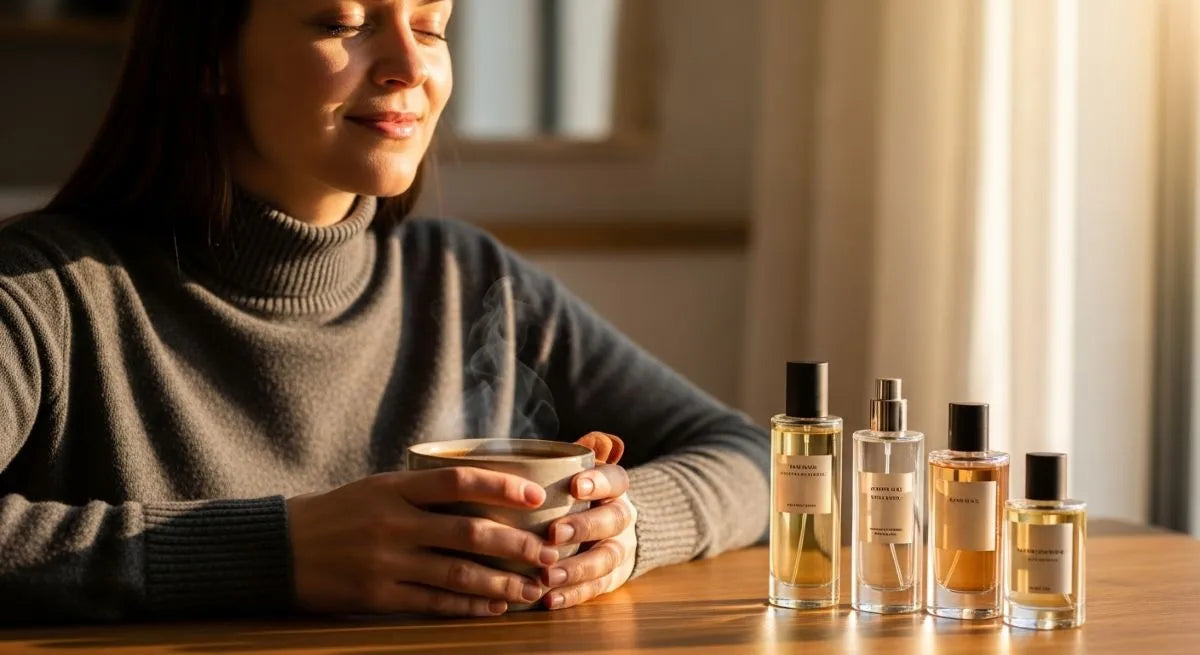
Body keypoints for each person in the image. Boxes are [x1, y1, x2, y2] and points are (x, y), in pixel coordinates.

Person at [0, 0, 768, 621]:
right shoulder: (42, 293)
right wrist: (277, 551)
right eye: (345, 23)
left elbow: (749, 455)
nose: (410, 65)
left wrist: (623, 530)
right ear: (210, 58)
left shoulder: (469, 279)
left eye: (432, 26)